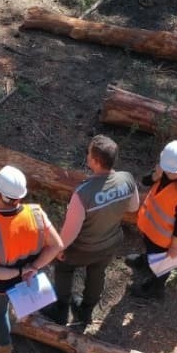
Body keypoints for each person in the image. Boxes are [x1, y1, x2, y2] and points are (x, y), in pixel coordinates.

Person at [0, 164, 65, 353]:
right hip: (25, 281)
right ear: (20, 197)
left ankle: (3, 348)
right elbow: (56, 245)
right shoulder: (37, 214)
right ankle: (18, 317)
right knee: (11, 309)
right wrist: (32, 268)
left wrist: (23, 270)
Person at [49, 136, 139, 323]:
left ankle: (61, 311)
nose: (87, 155)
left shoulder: (82, 194)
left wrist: (59, 249)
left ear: (96, 162)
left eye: (89, 153)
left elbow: (71, 232)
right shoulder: (127, 179)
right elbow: (133, 207)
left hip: (83, 248)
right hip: (111, 243)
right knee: (97, 272)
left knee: (64, 268)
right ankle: (86, 311)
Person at [125, 141, 177, 300]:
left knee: (162, 264)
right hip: (149, 228)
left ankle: (156, 288)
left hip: (162, 238)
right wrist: (154, 176)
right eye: (167, 170)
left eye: (174, 172)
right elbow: (145, 182)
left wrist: (174, 247)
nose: (170, 174)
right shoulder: (163, 170)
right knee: (150, 250)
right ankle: (146, 261)